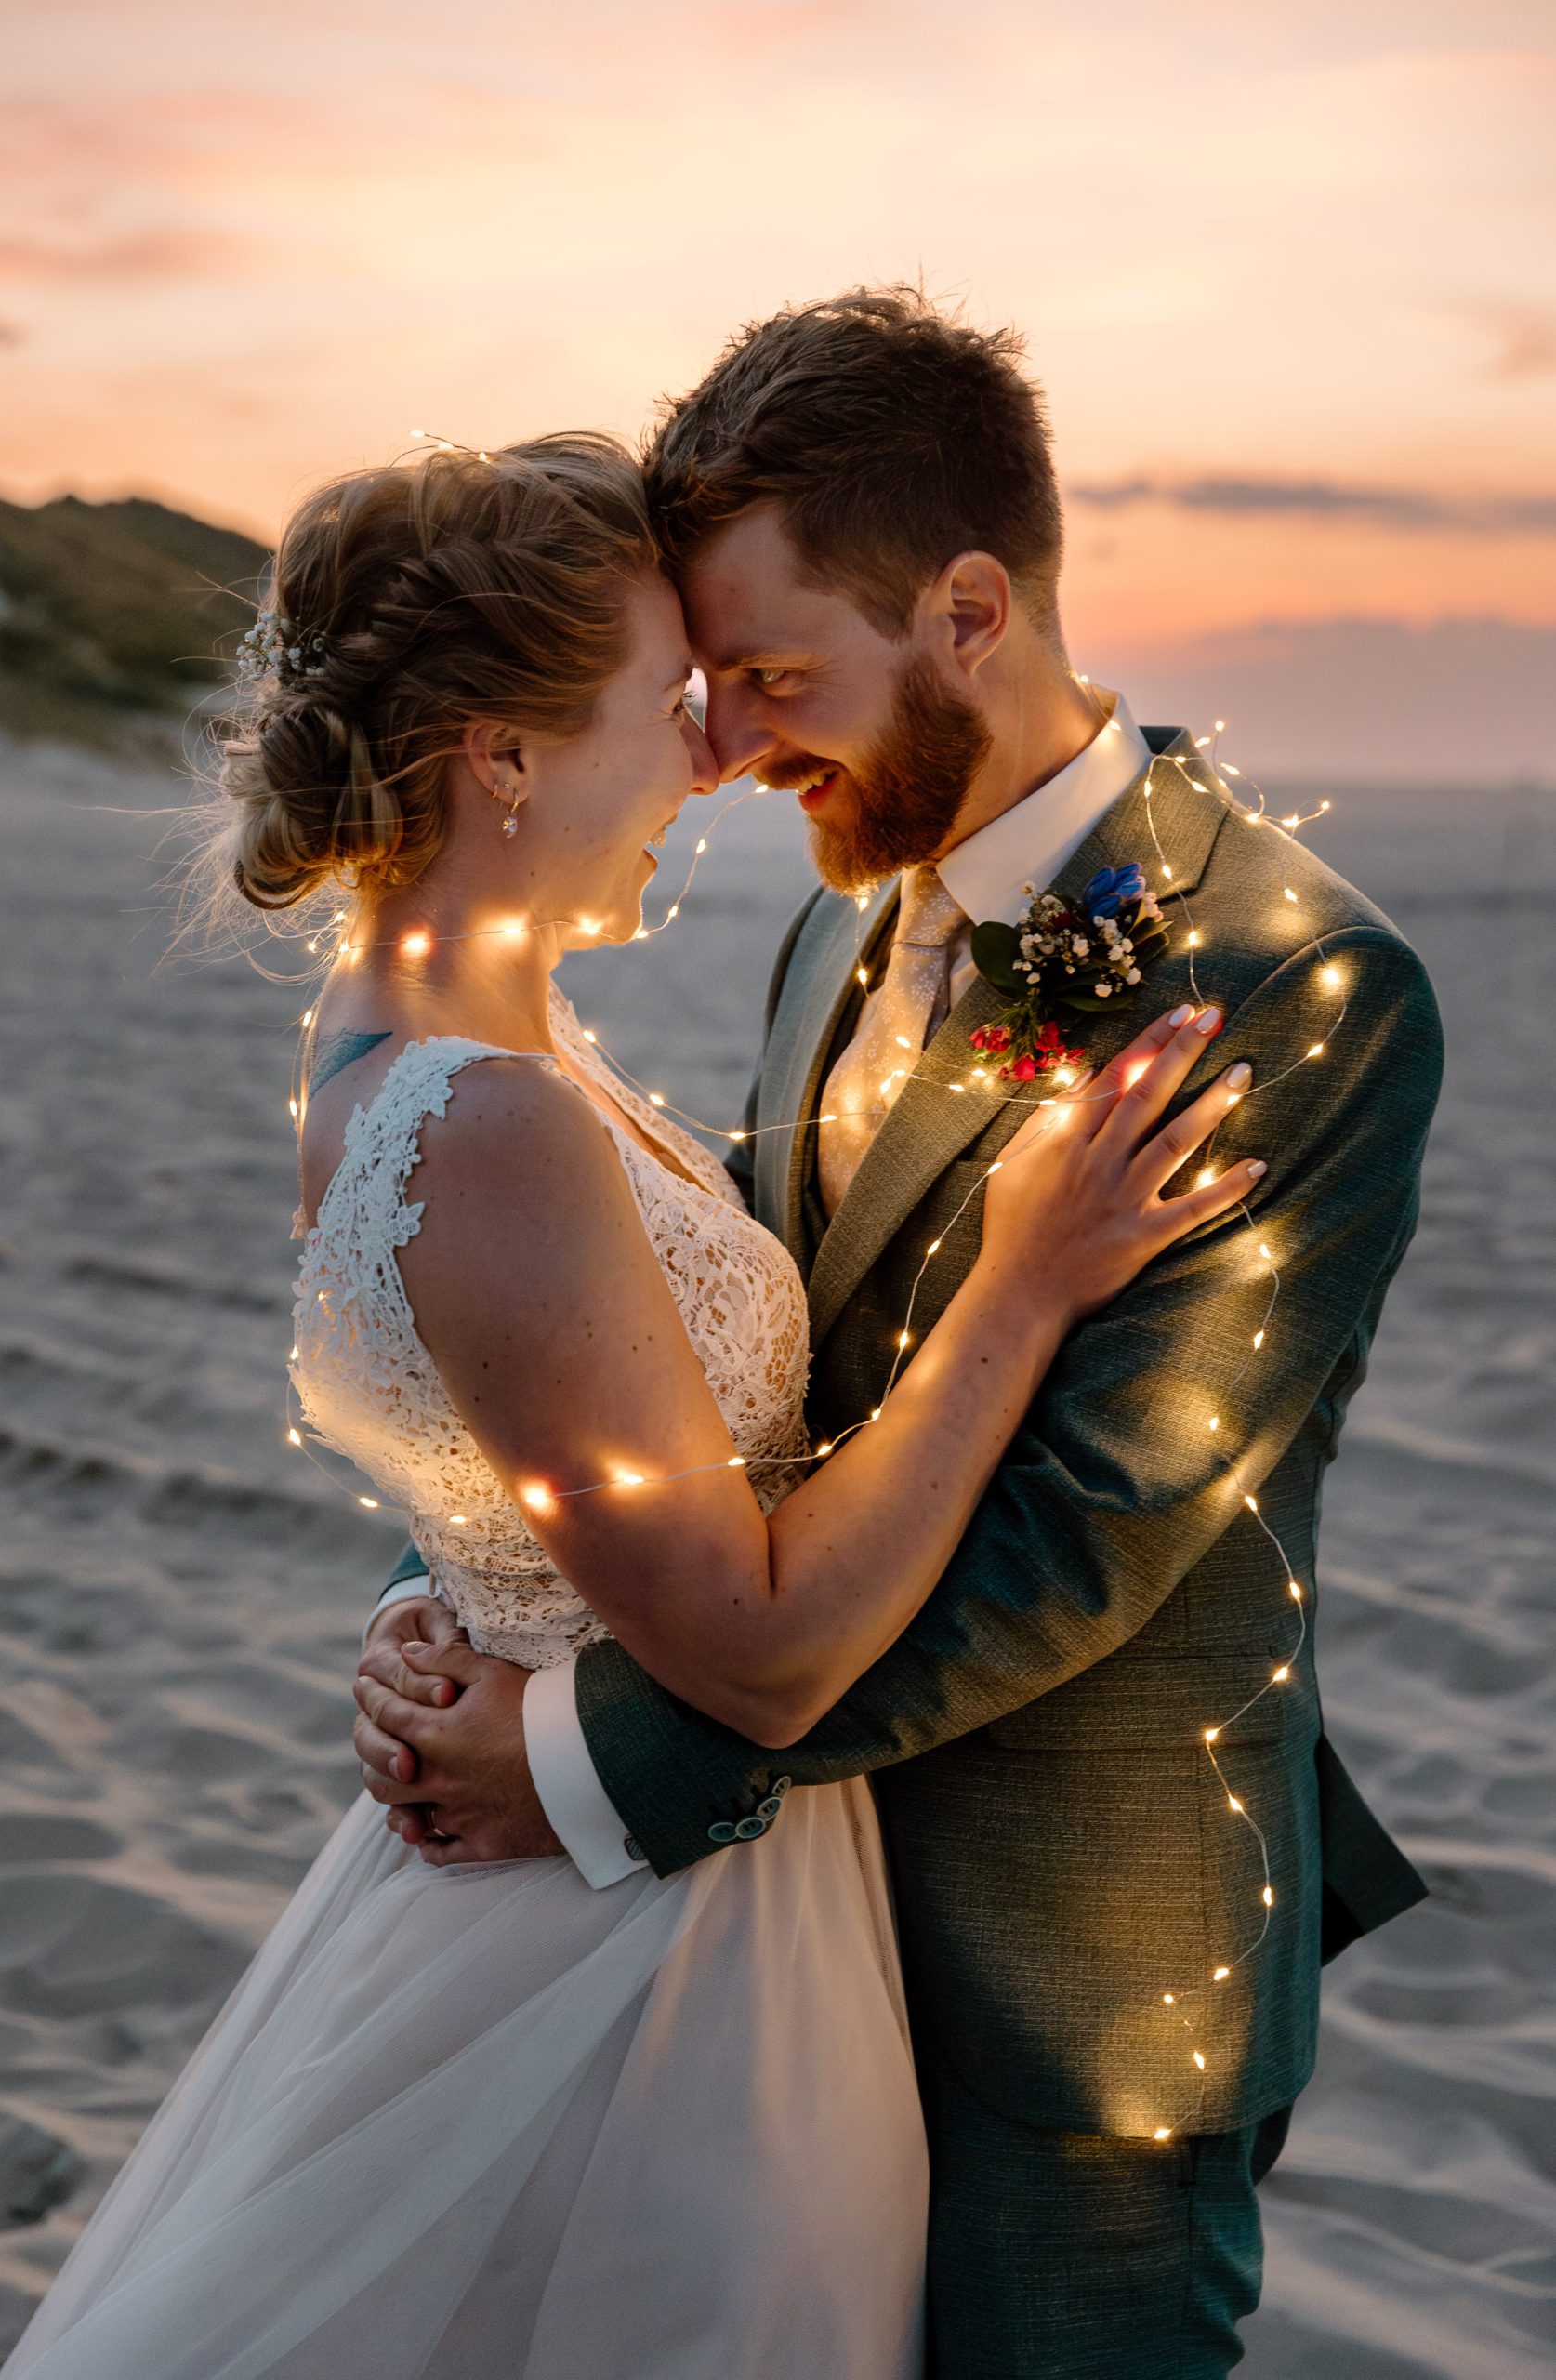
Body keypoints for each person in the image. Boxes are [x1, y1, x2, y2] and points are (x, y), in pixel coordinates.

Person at [1, 430, 1255, 2380]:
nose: (703, 761)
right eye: (656, 709)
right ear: (496, 752)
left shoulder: (437, 1033)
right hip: (646, 1947)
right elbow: (751, 1646)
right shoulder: (484, 1113)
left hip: (586, 1841)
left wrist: (457, 1600)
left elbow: (502, 1438)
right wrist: (1020, 1278)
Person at [357, 292, 1444, 2377]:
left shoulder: (1295, 983)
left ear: (966, 606)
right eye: (714, 683)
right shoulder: (840, 913)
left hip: (1064, 1979)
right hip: (772, 1956)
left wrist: (582, 1759)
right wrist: (465, 1598)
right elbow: (712, 1370)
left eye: (774, 676)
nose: (740, 748)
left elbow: (1083, 1537)